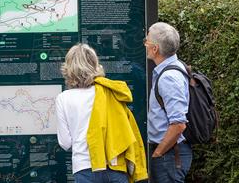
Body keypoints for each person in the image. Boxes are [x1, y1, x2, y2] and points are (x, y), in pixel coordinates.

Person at [56, 43, 147, 183]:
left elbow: (65, 142)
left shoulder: (63, 98)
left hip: (84, 168)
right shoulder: (109, 91)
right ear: (95, 65)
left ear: (69, 68)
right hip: (115, 164)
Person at [145, 22, 192, 182]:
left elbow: (179, 124)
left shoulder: (168, 78)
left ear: (155, 48)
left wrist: (158, 153)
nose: (145, 44)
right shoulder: (173, 68)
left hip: (169, 154)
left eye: (147, 41)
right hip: (169, 153)